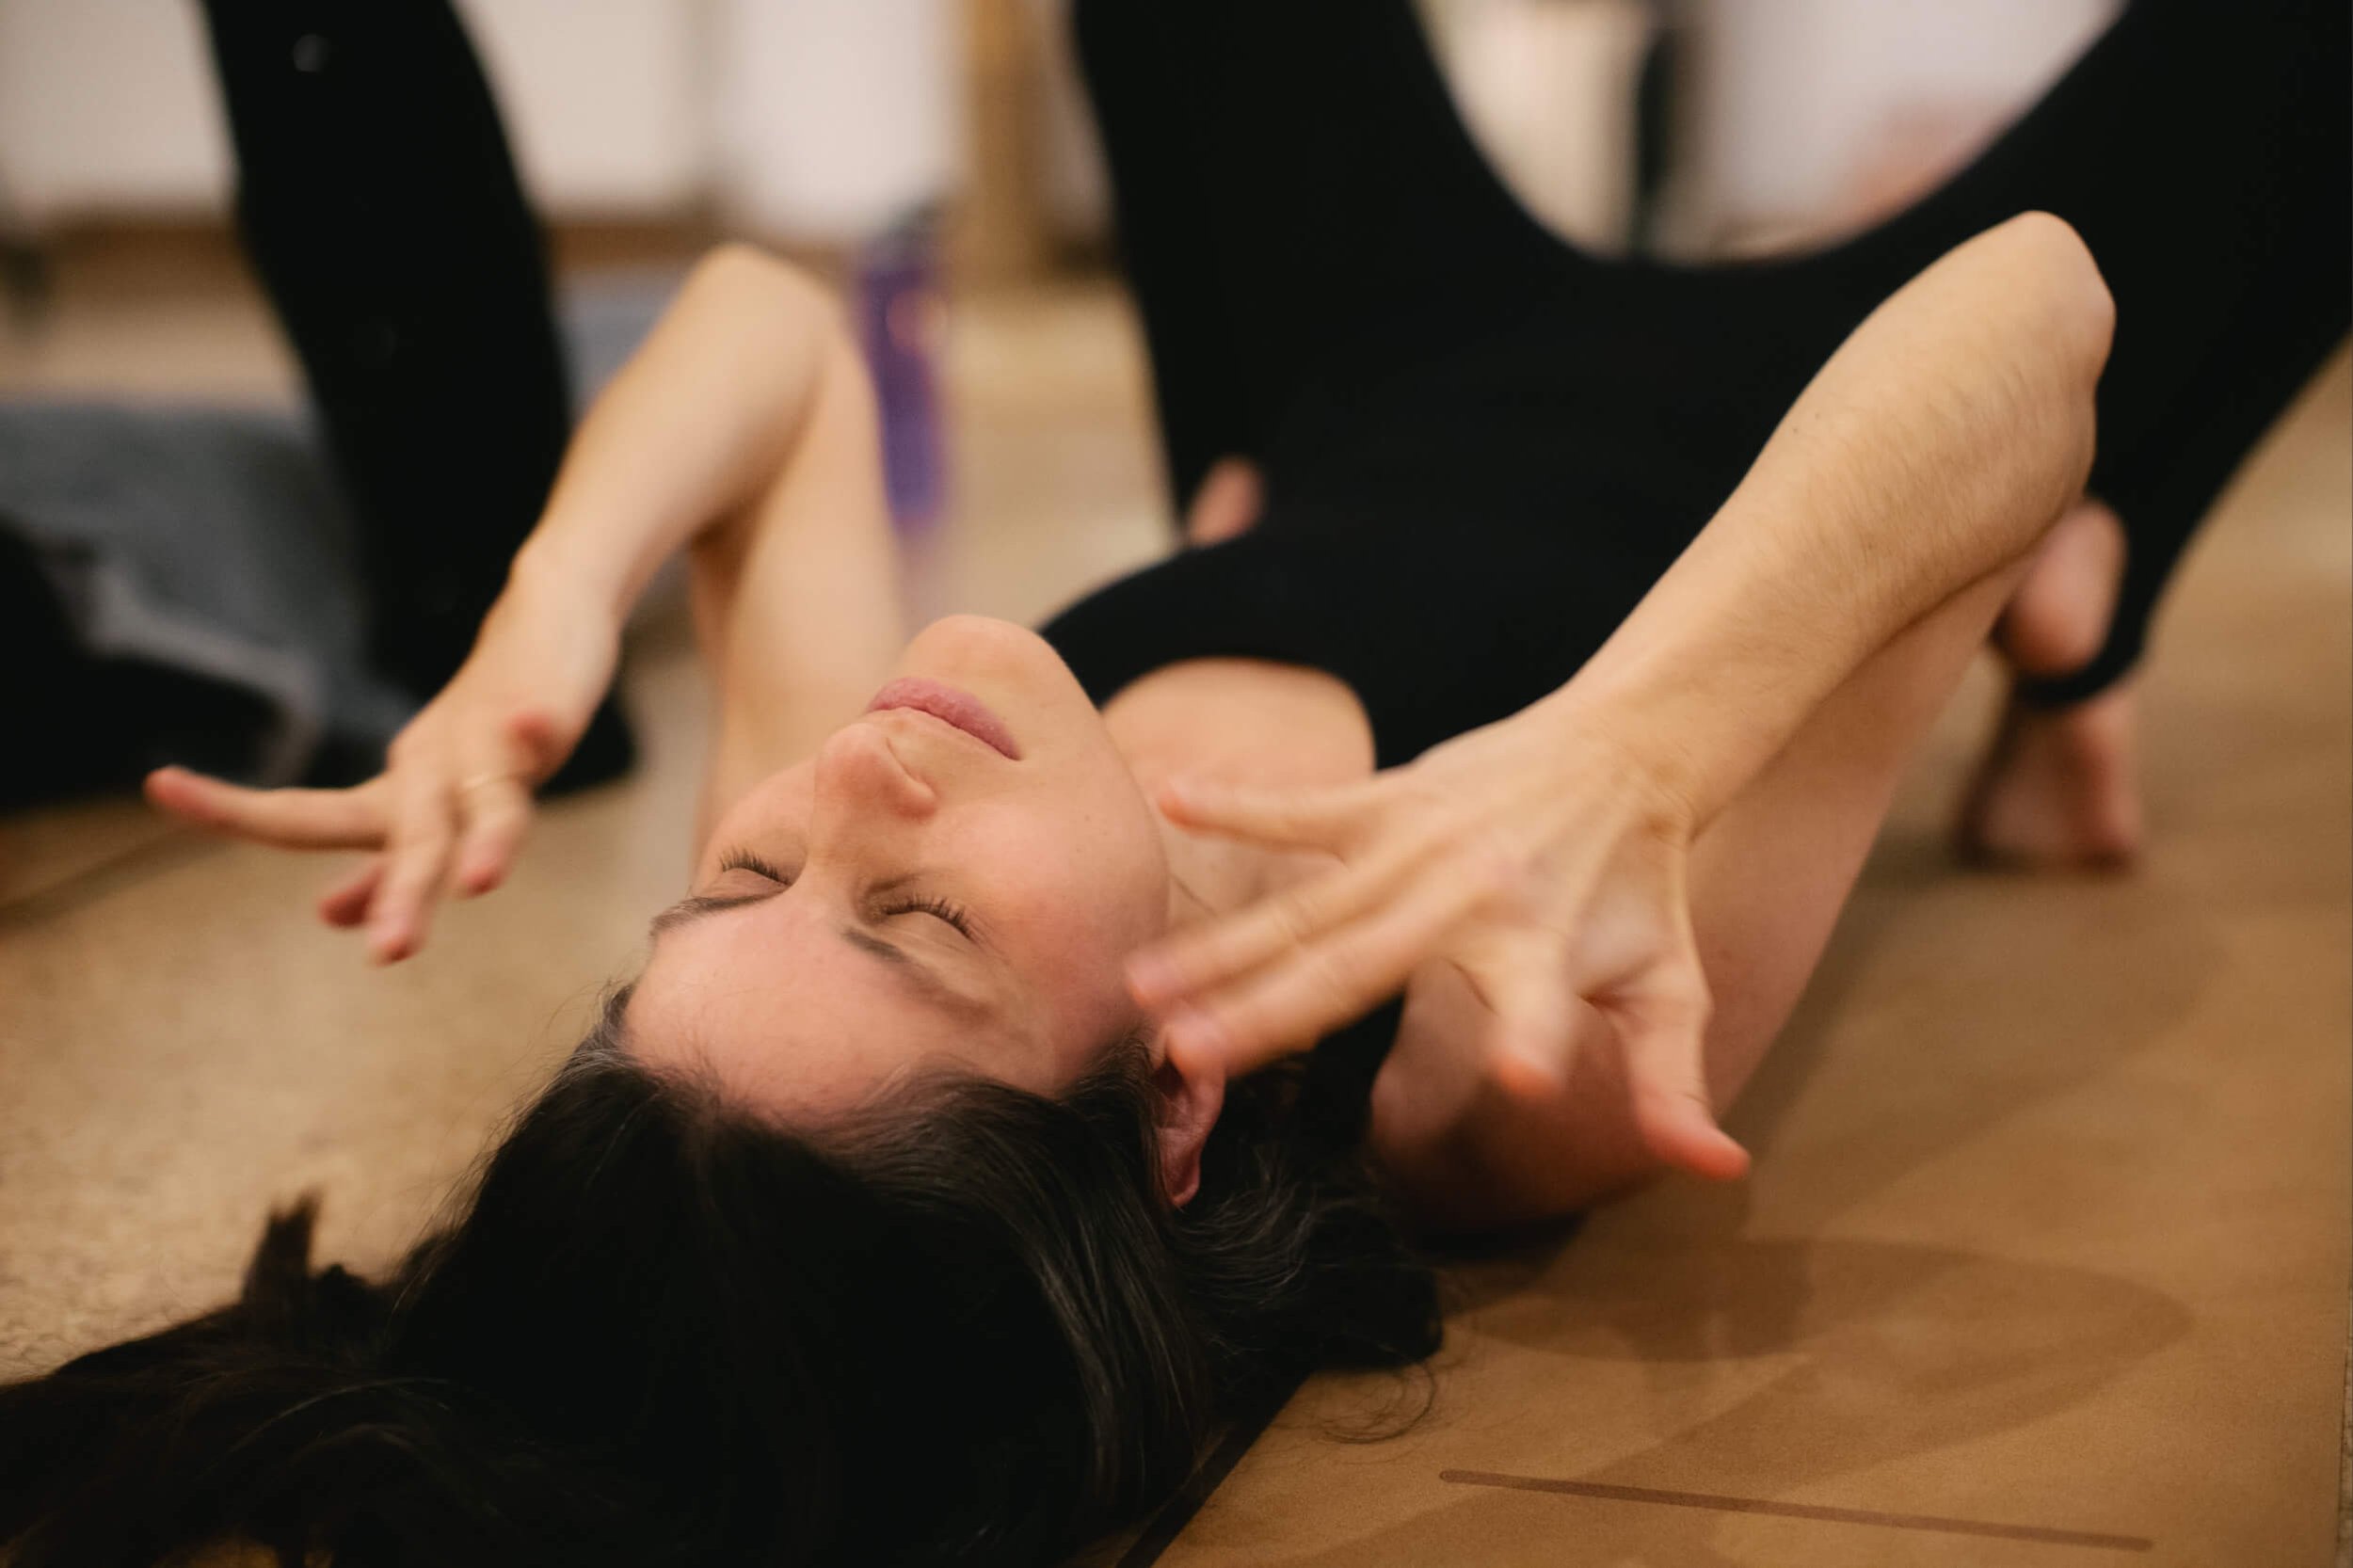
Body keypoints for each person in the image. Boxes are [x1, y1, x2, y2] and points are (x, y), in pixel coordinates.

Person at [2, 3, 2340, 1565]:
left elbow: (773, 335)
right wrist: (1640, 743)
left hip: (1361, 374)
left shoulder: (834, 917)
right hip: (1805, 396)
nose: (848, 786)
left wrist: (550, 605)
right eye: (916, 917)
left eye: (734, 876)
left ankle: (2046, 612)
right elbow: (2031, 309)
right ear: (1172, 1108)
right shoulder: (1488, 1065)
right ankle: (2053, 614)